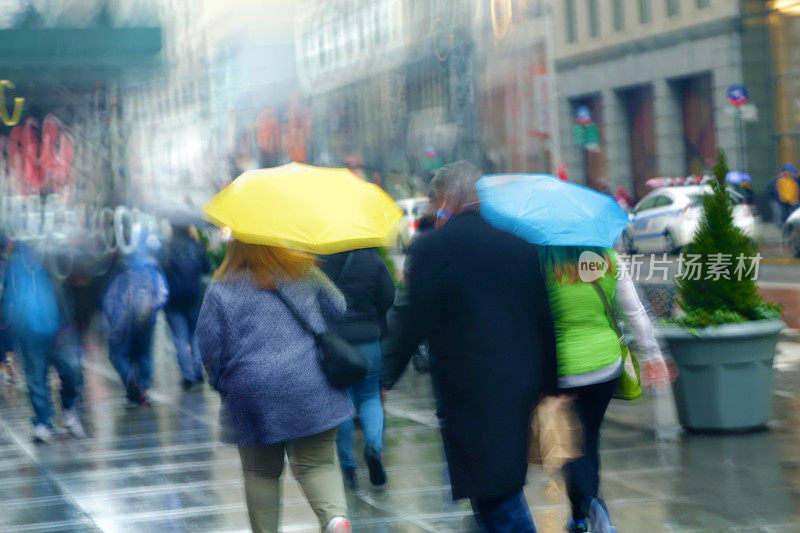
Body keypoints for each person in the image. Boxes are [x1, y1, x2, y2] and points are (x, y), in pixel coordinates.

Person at [382, 161, 558, 533]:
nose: (432, 212)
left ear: (446, 199)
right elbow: (545, 317)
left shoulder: (432, 248)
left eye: (433, 204)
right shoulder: (520, 246)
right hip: (519, 382)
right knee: (497, 483)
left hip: (469, 387)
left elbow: (413, 319)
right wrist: (551, 383)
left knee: (495, 492)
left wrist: (385, 377)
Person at [197, 240, 354, 533]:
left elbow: (209, 345)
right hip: (311, 383)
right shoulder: (304, 270)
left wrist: (221, 384)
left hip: (252, 392)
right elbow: (339, 306)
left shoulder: (220, 288)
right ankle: (336, 520)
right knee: (317, 465)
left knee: (261, 473)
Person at [538, 246, 673, 533]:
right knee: (589, 439)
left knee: (571, 448)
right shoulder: (607, 257)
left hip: (564, 371)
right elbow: (634, 309)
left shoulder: (543, 261)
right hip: (606, 365)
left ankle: (592, 506)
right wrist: (653, 355)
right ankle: (581, 518)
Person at [320, 247, 395, 489]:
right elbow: (388, 296)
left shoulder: (322, 259)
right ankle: (373, 445)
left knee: (343, 401)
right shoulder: (371, 259)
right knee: (371, 396)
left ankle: (348, 466)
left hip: (337, 342)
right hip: (368, 339)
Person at [1, 240, 85, 442]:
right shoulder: (13, 261)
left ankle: (68, 410)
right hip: (28, 329)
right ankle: (42, 421)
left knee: (71, 371)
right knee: (36, 378)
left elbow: (70, 275)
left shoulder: (53, 250)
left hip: (60, 325)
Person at [102, 244, 168, 407]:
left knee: (119, 355)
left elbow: (109, 298)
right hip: (147, 321)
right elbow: (163, 292)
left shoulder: (121, 269)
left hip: (123, 323)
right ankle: (143, 388)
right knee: (144, 354)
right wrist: (152, 308)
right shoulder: (153, 269)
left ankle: (131, 381)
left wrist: (113, 317)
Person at [164, 224, 211, 390]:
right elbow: (208, 269)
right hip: (195, 299)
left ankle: (187, 374)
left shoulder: (167, 247)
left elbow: (161, 271)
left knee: (179, 338)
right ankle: (197, 369)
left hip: (173, 302)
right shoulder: (197, 247)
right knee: (195, 335)